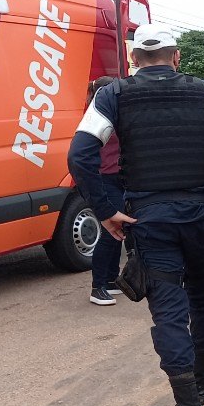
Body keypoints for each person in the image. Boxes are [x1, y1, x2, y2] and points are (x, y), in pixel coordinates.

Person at [67, 23, 204, 406]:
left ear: (134, 60)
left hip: (151, 220)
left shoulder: (112, 94)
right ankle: (202, 379)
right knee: (203, 298)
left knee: (169, 311)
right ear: (177, 57)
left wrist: (105, 211)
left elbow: (80, 155)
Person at [86, 76, 124, 306]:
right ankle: (97, 286)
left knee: (119, 230)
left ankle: (110, 279)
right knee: (111, 231)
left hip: (118, 176)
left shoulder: (113, 112)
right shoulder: (95, 117)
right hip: (105, 178)